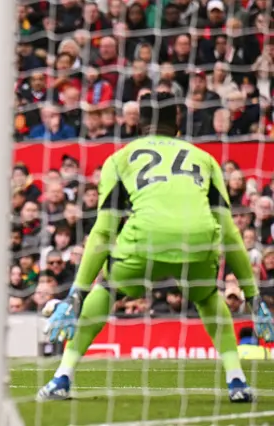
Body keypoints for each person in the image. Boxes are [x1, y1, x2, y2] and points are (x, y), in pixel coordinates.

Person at [37, 92, 274, 403]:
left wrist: (75, 294)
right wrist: (254, 298)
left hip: (145, 242)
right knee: (205, 295)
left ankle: (61, 378)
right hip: (199, 242)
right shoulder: (204, 158)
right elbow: (230, 233)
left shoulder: (119, 159)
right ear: (177, 124)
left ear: (137, 124)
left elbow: (103, 232)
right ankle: (237, 381)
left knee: (107, 288)